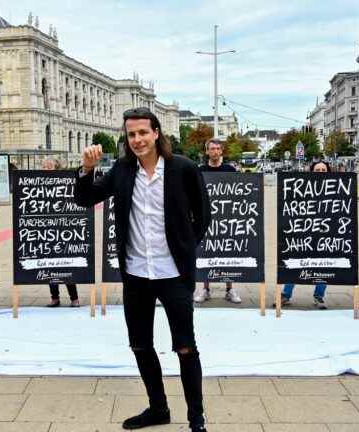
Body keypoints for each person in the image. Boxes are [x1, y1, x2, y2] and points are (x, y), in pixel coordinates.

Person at [74, 107, 211, 432]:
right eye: (131, 134)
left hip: (173, 275)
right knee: (140, 344)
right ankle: (158, 408)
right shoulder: (122, 170)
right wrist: (86, 168)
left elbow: (203, 217)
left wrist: (184, 248)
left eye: (142, 133)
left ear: (156, 133)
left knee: (185, 345)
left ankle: (196, 418)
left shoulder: (183, 169)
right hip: (136, 274)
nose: (137, 139)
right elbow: (85, 198)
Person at [277, 160, 332, 309]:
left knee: (323, 266)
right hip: (303, 233)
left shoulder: (336, 188)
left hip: (325, 235)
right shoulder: (302, 187)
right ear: (311, 172)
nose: (320, 173)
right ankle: (286, 295)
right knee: (295, 263)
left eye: (323, 170)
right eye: (317, 170)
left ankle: (319, 297)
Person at [195, 138, 241, 304]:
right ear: (207, 151)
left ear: (222, 151)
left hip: (226, 218)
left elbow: (239, 192)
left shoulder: (230, 170)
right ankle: (205, 288)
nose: (214, 151)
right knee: (206, 250)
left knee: (227, 251)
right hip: (205, 218)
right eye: (211, 149)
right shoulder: (200, 170)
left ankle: (230, 289)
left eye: (217, 149)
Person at [41, 157, 80, 307]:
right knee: (50, 266)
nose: (45, 169)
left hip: (64, 230)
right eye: (43, 167)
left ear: (57, 168)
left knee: (66, 265)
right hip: (46, 231)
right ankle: (54, 297)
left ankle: (74, 298)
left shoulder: (66, 183)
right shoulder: (37, 184)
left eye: (49, 167)